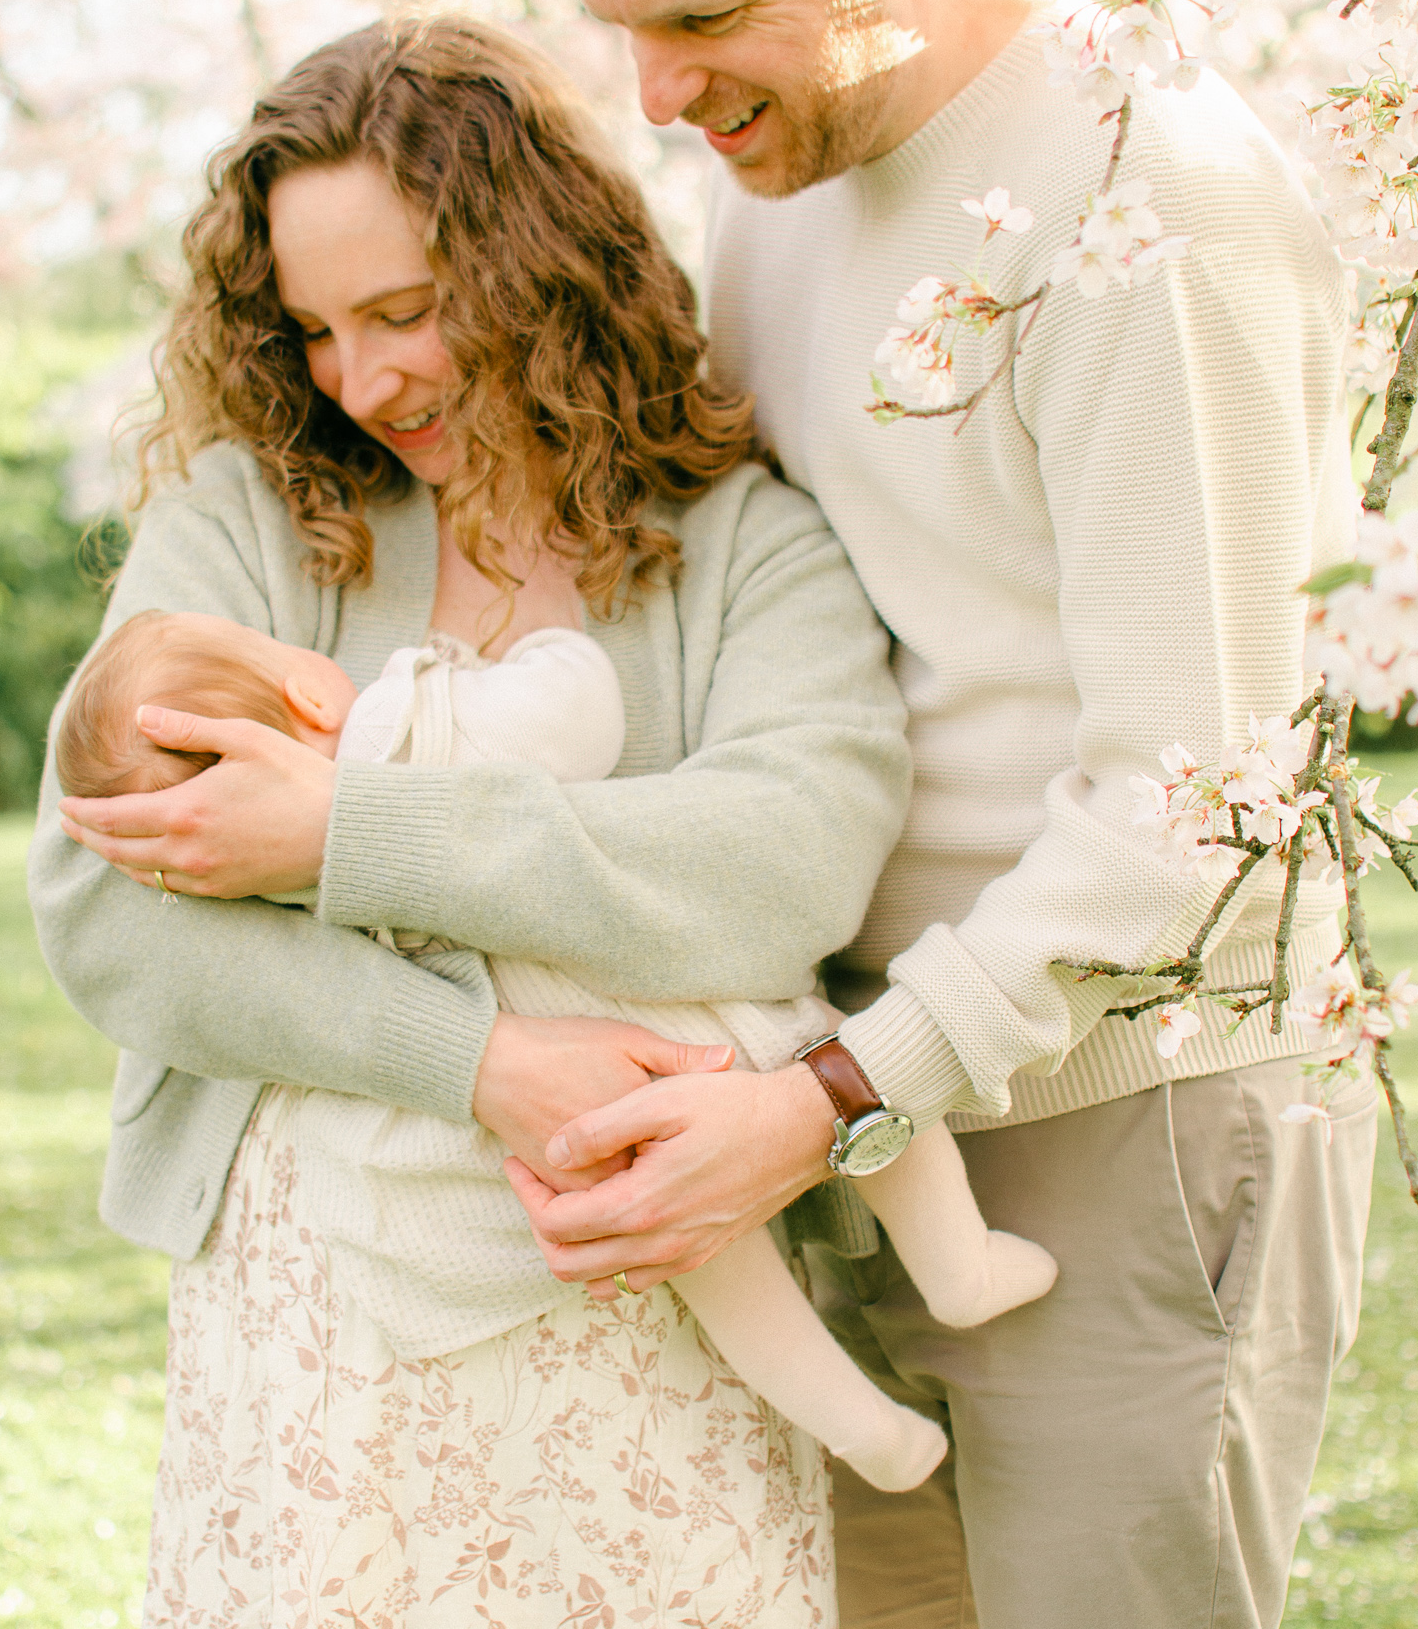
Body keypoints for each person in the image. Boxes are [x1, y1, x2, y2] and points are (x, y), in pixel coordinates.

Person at [494, 0, 1377, 1629]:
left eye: (704, 12)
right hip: (852, 1120)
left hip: (1124, 1122)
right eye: (616, 22)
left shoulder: (1149, 208)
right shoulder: (774, 179)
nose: (659, 91)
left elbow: (1189, 803)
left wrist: (821, 1102)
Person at [32, 13, 927, 1623]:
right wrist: (485, 1064)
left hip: (646, 1291)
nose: (360, 379)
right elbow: (106, 912)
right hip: (320, 1321)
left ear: (541, 270)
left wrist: (346, 839)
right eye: (311, 328)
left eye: (407, 311)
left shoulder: (733, 543)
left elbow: (790, 851)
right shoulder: (247, 520)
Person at [55, 602, 1053, 1493]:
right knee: (852, 1065)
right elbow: (581, 714)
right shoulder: (405, 718)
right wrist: (535, 650)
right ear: (305, 684)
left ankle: (863, 1430)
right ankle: (958, 1264)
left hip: (569, 1102)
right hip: (671, 1014)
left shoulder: (247, 871)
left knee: (704, 1261)